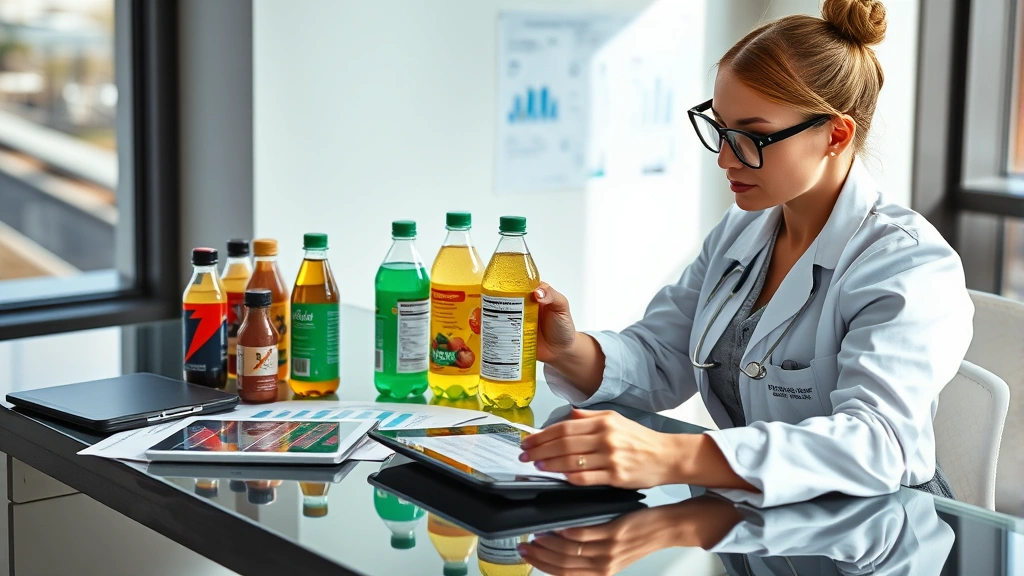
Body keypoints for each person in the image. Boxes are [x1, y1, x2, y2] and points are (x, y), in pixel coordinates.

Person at [518, 0, 974, 507]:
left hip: (877, 529)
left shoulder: (910, 266)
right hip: (760, 520)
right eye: (720, 129)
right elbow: (659, 358)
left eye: (753, 137)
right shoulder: (742, 231)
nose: (724, 158)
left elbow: (877, 444)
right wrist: (564, 348)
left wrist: (672, 455)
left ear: (835, 134)